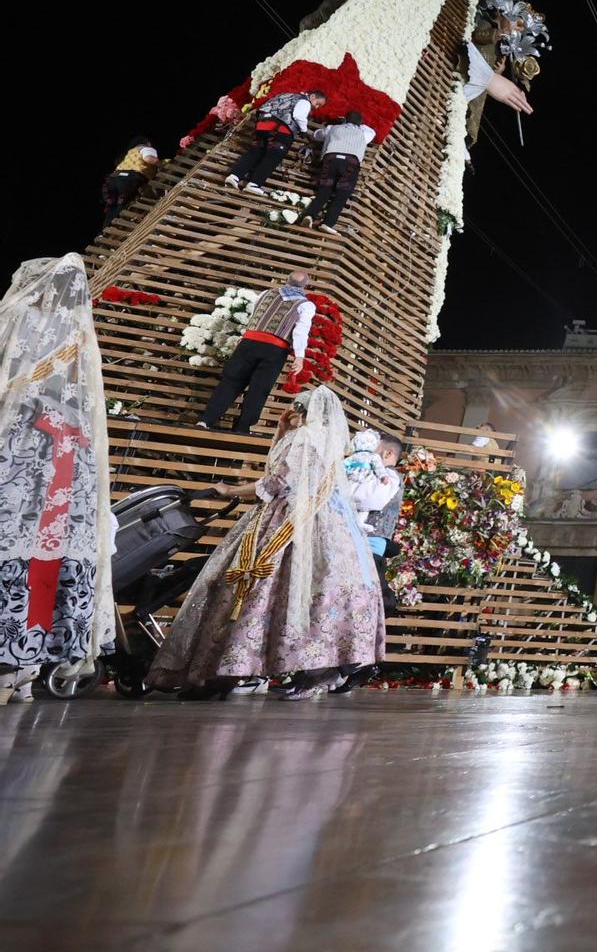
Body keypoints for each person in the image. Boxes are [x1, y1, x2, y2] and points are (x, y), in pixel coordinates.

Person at [147, 388, 385, 700]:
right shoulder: (327, 440)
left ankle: (228, 670)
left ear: (301, 411)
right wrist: (282, 432)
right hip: (323, 522)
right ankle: (307, 670)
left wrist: (229, 490)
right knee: (312, 594)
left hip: (288, 520)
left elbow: (276, 482)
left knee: (252, 590)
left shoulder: (304, 437)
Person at [0, 256, 117, 706]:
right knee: (46, 554)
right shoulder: (76, 335)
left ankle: (19, 664)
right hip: (68, 447)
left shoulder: (19, 318)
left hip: (27, 442)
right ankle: (27, 664)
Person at [329, 429, 405, 694]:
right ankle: (345, 665)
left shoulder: (389, 476)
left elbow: (364, 498)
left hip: (369, 547)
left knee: (358, 605)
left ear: (387, 454)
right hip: (353, 543)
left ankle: (355, 665)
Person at [194, 272, 316, 433]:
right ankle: (243, 428)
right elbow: (300, 331)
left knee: (230, 382)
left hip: (249, 342)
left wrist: (245, 336)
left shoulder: (267, 293)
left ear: (286, 281)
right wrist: (299, 357)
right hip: (274, 348)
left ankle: (206, 420)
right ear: (305, 286)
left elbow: (255, 316)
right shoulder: (305, 305)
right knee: (259, 390)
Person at [224, 89, 328, 196]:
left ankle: (234, 176)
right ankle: (254, 184)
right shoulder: (304, 101)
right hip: (280, 131)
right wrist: (304, 131)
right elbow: (298, 116)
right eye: (318, 103)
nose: (316, 107)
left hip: (262, 126)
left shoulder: (285, 94)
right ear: (313, 97)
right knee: (272, 158)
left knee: (254, 152)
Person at [300, 110, 377, 234]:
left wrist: (341, 123)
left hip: (331, 159)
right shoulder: (365, 132)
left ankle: (309, 215)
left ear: (345, 119)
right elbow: (372, 132)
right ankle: (327, 223)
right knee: (342, 195)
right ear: (361, 122)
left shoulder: (332, 128)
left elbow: (317, 135)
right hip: (350, 162)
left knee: (324, 191)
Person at [100, 136, 161, 228]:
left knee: (112, 207)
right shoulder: (146, 148)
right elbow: (148, 158)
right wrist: (161, 163)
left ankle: (105, 231)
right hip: (129, 179)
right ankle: (116, 226)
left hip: (112, 180)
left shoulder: (131, 152)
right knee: (124, 203)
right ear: (147, 142)